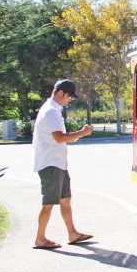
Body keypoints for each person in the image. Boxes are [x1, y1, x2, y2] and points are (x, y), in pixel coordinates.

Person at [32, 79, 94, 249]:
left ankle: (73, 234)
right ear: (60, 93)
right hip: (50, 164)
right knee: (49, 203)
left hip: (57, 163)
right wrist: (82, 132)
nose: (69, 100)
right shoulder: (51, 111)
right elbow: (59, 138)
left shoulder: (53, 110)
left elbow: (61, 138)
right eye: (68, 96)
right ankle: (40, 239)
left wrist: (78, 135)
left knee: (65, 199)